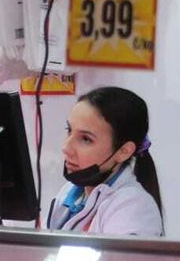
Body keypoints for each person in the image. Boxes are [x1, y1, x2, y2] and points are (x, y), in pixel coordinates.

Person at [47, 86, 165, 236]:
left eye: (85, 139)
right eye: (69, 130)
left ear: (124, 151)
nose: (66, 148)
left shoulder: (133, 209)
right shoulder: (70, 192)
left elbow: (115, 260)